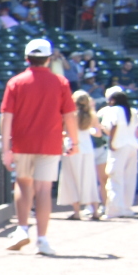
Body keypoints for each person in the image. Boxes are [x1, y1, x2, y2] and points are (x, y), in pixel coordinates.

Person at [1, 38, 80, 256]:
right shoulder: (61, 82)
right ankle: (42, 240)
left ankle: (22, 229)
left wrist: (5, 148)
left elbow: (6, 117)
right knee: (44, 190)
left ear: (27, 58)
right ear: (48, 59)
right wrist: (75, 142)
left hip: (22, 142)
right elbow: (70, 116)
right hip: (50, 143)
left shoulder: (16, 82)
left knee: (23, 184)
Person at [58, 91, 104, 221]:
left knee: (72, 178)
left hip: (72, 148)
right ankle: (95, 211)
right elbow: (98, 133)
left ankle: (77, 212)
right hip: (88, 149)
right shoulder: (92, 115)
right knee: (89, 178)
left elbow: (65, 132)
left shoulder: (69, 115)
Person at [102, 88, 138, 218]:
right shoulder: (132, 111)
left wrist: (111, 142)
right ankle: (126, 208)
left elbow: (113, 127)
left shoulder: (114, 110)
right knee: (129, 178)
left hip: (119, 146)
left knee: (115, 176)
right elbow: (136, 131)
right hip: (132, 146)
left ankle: (114, 210)